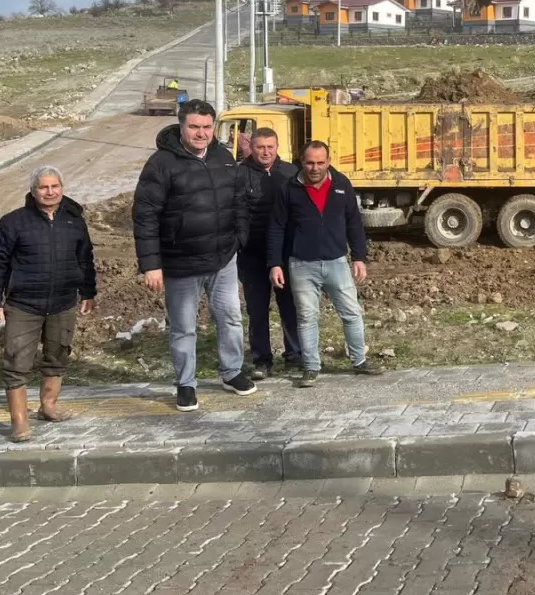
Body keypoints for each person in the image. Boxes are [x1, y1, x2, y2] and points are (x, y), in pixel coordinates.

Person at [132, 98, 254, 412]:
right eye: (194, 127)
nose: (201, 133)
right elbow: (145, 215)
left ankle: (231, 372)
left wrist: (239, 237)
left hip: (223, 259)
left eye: (206, 127)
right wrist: (151, 264)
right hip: (181, 264)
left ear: (213, 127)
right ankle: (186, 384)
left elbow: (239, 200)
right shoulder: (161, 164)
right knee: (183, 327)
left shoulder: (223, 157)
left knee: (230, 318)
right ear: (182, 126)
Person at [0, 166, 97, 443]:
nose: (50, 192)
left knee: (58, 355)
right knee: (17, 361)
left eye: (54, 186)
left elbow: (85, 258)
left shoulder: (73, 221)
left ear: (62, 188)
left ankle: (48, 406)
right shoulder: (14, 222)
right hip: (24, 304)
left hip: (63, 302)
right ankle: (20, 422)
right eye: (43, 187)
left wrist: (89, 292)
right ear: (33, 191)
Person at [266, 140, 384, 388]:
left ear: (329, 161)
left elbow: (354, 222)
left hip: (337, 262)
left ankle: (359, 361)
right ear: (301, 161)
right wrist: (275, 263)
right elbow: (276, 227)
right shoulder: (289, 189)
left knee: (351, 313)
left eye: (320, 162)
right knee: (307, 317)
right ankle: (310, 367)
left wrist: (359, 257)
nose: (315, 168)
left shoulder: (341, 185)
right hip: (301, 264)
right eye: (310, 162)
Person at [237, 127, 302, 379]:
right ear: (251, 148)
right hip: (252, 253)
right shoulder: (239, 174)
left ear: (277, 147)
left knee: (289, 304)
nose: (265, 152)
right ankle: (262, 360)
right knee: (257, 308)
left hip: (285, 253)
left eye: (270, 147)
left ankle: (294, 353)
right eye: (260, 147)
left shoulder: (290, 173)